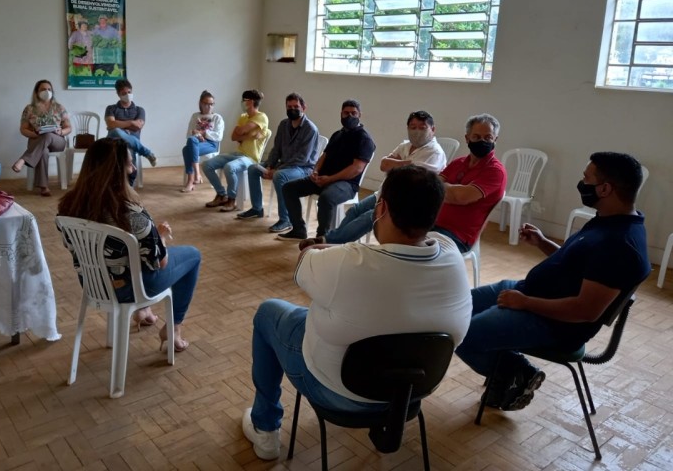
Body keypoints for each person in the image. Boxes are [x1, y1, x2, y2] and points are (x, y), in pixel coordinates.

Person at [241, 165, 472, 461]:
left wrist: (324, 250)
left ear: (382, 208)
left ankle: (265, 428)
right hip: (413, 393)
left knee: (268, 312)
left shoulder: (347, 262)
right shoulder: (451, 253)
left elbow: (304, 262)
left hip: (338, 392)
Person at [456, 152, 651, 412]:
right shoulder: (610, 220)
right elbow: (578, 263)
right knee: (455, 309)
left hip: (552, 323)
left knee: (460, 334)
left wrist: (525, 303)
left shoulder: (620, 245)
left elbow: (584, 311)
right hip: (528, 295)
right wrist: (543, 243)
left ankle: (518, 373)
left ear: (604, 189)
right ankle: (508, 372)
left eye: (586, 178)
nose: (581, 183)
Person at [58, 138, 200, 352]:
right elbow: (159, 262)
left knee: (130, 258)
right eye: (129, 164)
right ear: (116, 170)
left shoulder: (68, 206)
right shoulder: (132, 213)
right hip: (129, 289)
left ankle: (144, 312)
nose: (133, 168)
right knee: (193, 255)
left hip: (94, 284)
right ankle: (174, 328)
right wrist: (159, 236)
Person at [298, 110, 445, 248]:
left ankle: (328, 241)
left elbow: (411, 177)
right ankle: (336, 242)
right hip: (383, 193)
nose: (417, 131)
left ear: (433, 129)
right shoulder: (405, 145)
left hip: (404, 201)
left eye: (422, 127)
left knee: (370, 216)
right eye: (413, 127)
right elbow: (383, 164)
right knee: (354, 211)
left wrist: (397, 164)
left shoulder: (434, 152)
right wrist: (408, 163)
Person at [277, 100, 375, 242]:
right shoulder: (338, 134)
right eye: (346, 113)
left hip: (346, 185)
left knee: (326, 198)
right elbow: (324, 156)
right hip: (323, 179)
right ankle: (298, 230)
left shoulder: (364, 138)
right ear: (341, 114)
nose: (349, 116)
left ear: (360, 115)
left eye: (353, 113)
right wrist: (315, 171)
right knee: (288, 188)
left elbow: (356, 169)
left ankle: (322, 237)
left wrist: (330, 179)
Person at [236, 92, 320, 233]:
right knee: (253, 168)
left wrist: (277, 170)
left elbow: (302, 158)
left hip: (303, 168)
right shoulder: (283, 125)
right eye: (289, 106)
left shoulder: (310, 129)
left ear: (304, 107)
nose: (292, 109)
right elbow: (276, 149)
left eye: (296, 106)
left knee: (280, 176)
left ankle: (285, 219)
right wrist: (270, 165)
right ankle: (257, 208)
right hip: (283, 165)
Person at [432, 113, 507, 252]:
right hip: (431, 224)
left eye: (488, 137)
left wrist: (443, 188)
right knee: (396, 234)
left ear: (495, 139)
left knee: (414, 250)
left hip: (457, 236)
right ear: (467, 138)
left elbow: (461, 197)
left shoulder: (495, 171)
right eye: (476, 137)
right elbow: (431, 187)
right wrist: (451, 190)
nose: (482, 141)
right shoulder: (458, 163)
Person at [203, 89, 269, 213]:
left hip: (251, 158)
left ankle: (231, 200)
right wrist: (250, 135)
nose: (242, 103)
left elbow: (242, 130)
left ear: (251, 102)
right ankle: (221, 194)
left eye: (244, 100)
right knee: (207, 165)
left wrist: (243, 133)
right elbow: (234, 136)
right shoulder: (243, 117)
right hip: (237, 153)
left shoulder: (262, 117)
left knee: (229, 167)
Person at [12, 79, 71, 196]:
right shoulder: (29, 109)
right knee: (43, 151)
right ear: (36, 92)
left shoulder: (59, 107)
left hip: (57, 141)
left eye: (49, 89)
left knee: (48, 135)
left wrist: (60, 131)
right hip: (37, 140)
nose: (47, 91)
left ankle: (23, 159)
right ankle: (44, 187)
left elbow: (69, 127)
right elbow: (23, 129)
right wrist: (34, 134)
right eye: (43, 89)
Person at [105, 78, 157, 187]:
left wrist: (120, 124)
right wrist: (130, 123)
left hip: (131, 143)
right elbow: (111, 125)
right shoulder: (111, 108)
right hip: (113, 142)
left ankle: (129, 188)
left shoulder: (139, 110)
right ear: (118, 94)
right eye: (124, 93)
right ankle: (146, 152)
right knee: (116, 131)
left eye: (129, 92)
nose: (127, 95)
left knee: (128, 149)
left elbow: (138, 126)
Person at [181, 90, 224, 192]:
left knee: (186, 150)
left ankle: (191, 180)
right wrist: (197, 135)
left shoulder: (217, 118)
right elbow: (189, 134)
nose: (209, 107)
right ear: (201, 103)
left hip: (211, 144)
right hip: (196, 143)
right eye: (206, 104)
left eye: (211, 104)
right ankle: (197, 174)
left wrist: (203, 133)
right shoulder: (195, 116)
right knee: (191, 141)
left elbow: (219, 136)